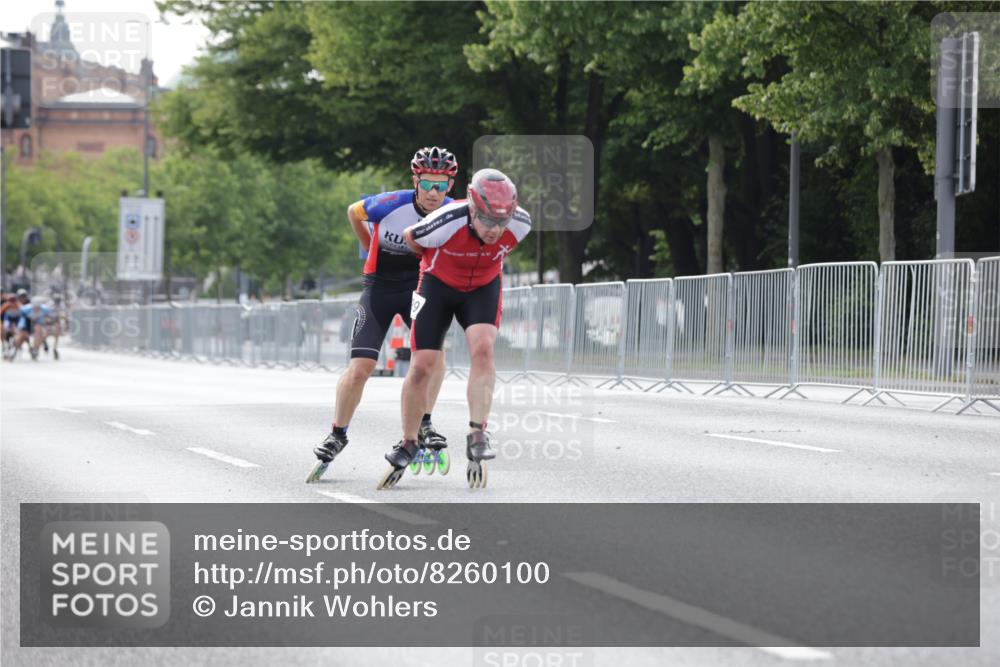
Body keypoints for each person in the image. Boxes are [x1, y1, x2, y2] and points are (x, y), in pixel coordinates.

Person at [307, 146, 459, 483]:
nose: (434, 193)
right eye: (427, 184)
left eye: (442, 185)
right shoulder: (390, 204)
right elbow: (353, 211)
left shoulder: (452, 211)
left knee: (432, 357)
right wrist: (368, 245)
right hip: (379, 287)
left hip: (419, 288)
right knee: (361, 368)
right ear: (415, 181)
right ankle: (338, 432)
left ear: (451, 185)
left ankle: (425, 421)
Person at [377, 168, 531, 490]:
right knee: (422, 366)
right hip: (438, 285)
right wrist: (437, 262)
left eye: (501, 223)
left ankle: (477, 431)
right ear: (473, 209)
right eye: (488, 220)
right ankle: (409, 440)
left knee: (484, 348)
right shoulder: (445, 220)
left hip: (482, 287)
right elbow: (411, 239)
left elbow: (501, 244)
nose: (495, 230)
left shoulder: (520, 223)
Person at [12, 296, 51, 361]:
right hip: (26, 324)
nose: (36, 309)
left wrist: (47, 327)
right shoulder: (25, 309)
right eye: (35, 307)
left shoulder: (45, 310)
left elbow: (47, 319)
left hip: (38, 325)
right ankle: (14, 350)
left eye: (38, 308)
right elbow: (20, 320)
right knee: (22, 336)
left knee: (39, 331)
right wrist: (20, 329)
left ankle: (36, 349)